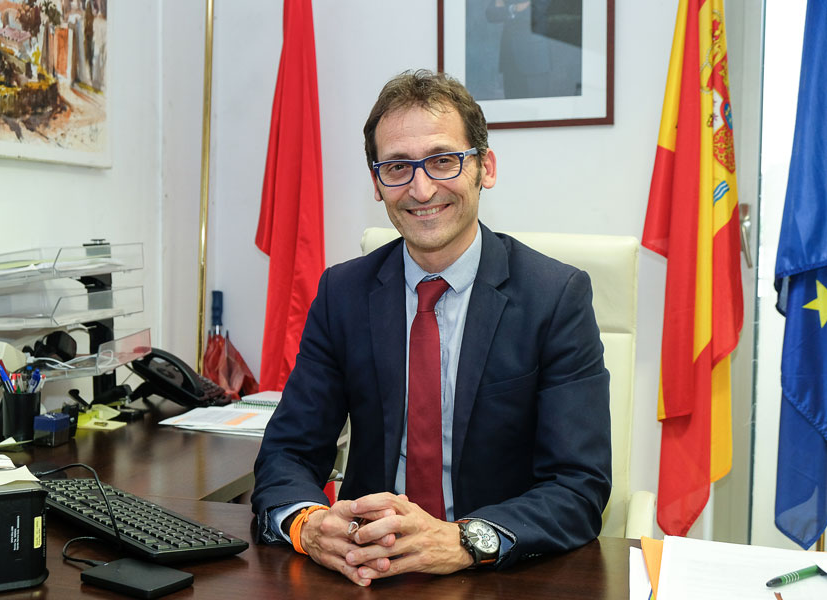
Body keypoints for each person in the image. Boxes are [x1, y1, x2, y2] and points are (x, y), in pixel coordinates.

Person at [251, 69, 611, 586]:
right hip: (370, 568)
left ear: (484, 167)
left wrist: (463, 539)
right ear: (377, 184)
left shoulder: (555, 298)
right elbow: (288, 451)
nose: (421, 189)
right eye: (397, 167)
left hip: (497, 572)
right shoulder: (342, 294)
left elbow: (578, 487)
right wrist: (307, 526)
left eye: (443, 161)